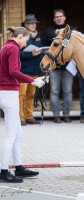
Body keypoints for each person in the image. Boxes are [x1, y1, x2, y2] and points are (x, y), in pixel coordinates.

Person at [0, 27, 47, 183]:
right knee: (11, 136)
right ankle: (3, 171)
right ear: (20, 36)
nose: (25, 43)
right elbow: (14, 71)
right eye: (25, 40)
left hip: (4, 92)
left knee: (18, 134)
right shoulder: (13, 48)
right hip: (9, 94)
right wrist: (33, 80)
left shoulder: (5, 47)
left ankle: (18, 167)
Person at [44, 9, 73, 123]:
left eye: (61, 16)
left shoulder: (71, 30)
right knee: (54, 91)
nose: (59, 18)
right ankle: (56, 115)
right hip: (54, 66)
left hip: (68, 66)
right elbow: (46, 47)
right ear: (54, 19)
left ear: (64, 17)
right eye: (57, 17)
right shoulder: (49, 31)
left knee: (68, 91)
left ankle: (66, 114)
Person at [19, 14, 44, 126]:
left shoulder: (39, 36)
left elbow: (40, 51)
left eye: (34, 23)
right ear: (26, 25)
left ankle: (29, 117)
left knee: (31, 95)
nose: (34, 25)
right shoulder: (21, 36)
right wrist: (31, 54)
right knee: (21, 95)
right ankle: (20, 117)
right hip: (24, 71)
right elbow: (18, 54)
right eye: (31, 23)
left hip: (34, 71)